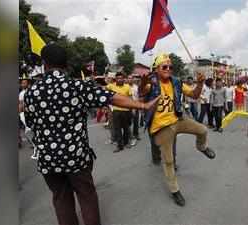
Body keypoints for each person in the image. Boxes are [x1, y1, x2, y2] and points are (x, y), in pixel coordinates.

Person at [23, 43, 158, 225]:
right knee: (87, 196)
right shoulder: (77, 86)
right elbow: (110, 97)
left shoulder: (31, 93)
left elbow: (30, 123)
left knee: (61, 199)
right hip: (76, 157)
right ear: (66, 64)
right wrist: (143, 105)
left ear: (45, 64)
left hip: (48, 159)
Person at [139, 53, 216, 207]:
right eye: (164, 67)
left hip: (178, 119)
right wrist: (143, 83)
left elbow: (194, 95)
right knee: (168, 161)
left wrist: (200, 83)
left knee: (203, 130)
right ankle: (175, 191)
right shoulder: (151, 83)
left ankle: (202, 147)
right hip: (161, 127)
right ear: (156, 69)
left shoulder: (177, 82)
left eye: (170, 67)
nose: (168, 69)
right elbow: (143, 90)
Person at [106, 72, 133, 152]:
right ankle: (119, 146)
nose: (120, 79)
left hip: (126, 111)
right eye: (118, 78)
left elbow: (130, 98)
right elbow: (104, 89)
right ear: (116, 79)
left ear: (123, 79)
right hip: (116, 111)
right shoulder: (111, 86)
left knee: (126, 128)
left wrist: (132, 109)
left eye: (121, 78)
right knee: (117, 129)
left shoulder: (127, 87)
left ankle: (126, 142)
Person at [127, 75, 141, 141]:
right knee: (128, 122)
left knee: (136, 121)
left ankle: (136, 134)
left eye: (131, 78)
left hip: (136, 106)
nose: (129, 80)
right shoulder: (125, 86)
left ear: (133, 80)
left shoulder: (136, 87)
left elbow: (138, 97)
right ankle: (129, 135)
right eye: (128, 78)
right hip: (128, 107)